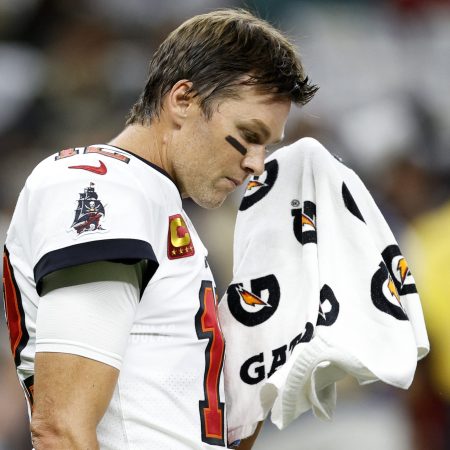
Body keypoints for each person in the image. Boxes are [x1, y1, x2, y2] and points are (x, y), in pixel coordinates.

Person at [2, 9, 317, 449]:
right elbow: (62, 430)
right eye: (248, 134)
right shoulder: (101, 185)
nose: (255, 163)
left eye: (267, 145)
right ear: (183, 99)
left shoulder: (158, 204)